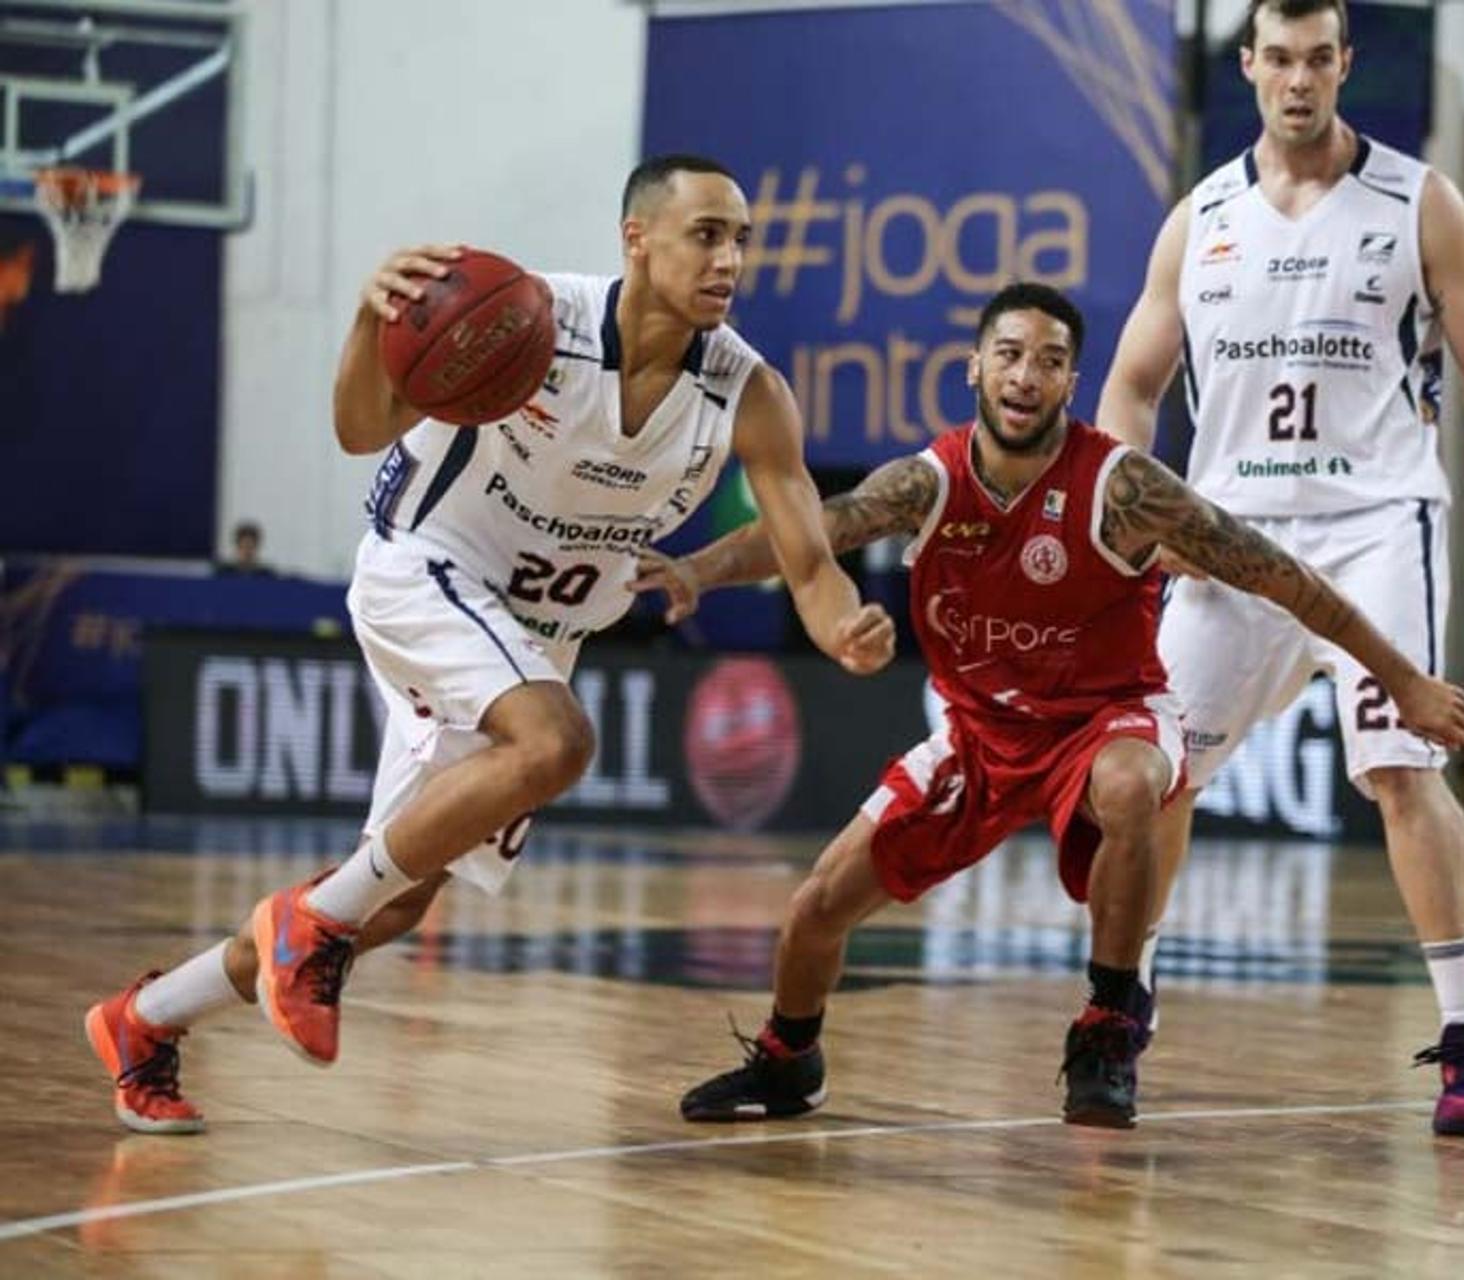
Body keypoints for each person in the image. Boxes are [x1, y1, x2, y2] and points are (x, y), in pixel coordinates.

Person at [82, 154, 895, 1134]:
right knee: (555, 744)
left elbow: (808, 559)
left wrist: (841, 622)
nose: (730, 259)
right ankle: (309, 926)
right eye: (706, 234)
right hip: (426, 568)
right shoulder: (523, 317)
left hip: (533, 634)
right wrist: (362, 321)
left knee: (394, 898)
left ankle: (144, 1019)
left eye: (742, 240)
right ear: (635, 236)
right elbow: (355, 429)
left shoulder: (747, 392)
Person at [646, 282, 1464, 1129]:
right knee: (813, 912)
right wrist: (696, 570)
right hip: (980, 737)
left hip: (1104, 721)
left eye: (1050, 362)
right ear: (974, 366)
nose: (1026, 376)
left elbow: (1285, 577)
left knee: (1134, 786)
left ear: (1070, 383)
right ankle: (792, 1059)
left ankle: (1110, 1021)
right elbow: (804, 531)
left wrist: (1403, 679)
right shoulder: (927, 484)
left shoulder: (1123, 488)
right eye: (1010, 355)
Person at [1096, 0, 1464, 1136]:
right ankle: (1123, 1000)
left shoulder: (1420, 201)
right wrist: (1129, 515)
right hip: (1230, 534)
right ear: (1248, 65)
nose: (1298, 79)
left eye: (1317, 58)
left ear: (1345, 63)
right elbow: (1134, 384)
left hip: (1377, 519)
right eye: (1277, 58)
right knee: (1152, 774)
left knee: (1400, 767)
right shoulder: (1200, 219)